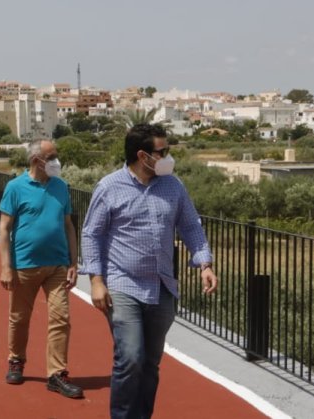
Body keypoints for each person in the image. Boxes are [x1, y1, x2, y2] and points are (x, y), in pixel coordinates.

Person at [80, 123, 218, 419]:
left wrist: (204, 262)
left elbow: (191, 224)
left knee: (151, 362)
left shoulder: (173, 186)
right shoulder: (109, 187)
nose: (168, 156)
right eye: (163, 151)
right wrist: (96, 281)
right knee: (130, 358)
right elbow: (92, 234)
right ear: (143, 156)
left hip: (162, 287)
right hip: (122, 284)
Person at [0, 139, 83, 398]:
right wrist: (6, 267)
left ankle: (56, 374)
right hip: (23, 265)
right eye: (52, 156)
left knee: (61, 319)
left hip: (56, 266)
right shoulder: (15, 187)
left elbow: (68, 225)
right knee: (19, 318)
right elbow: (4, 228)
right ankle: (16, 359)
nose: (57, 161)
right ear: (37, 160)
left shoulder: (61, 186)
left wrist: (73, 261)